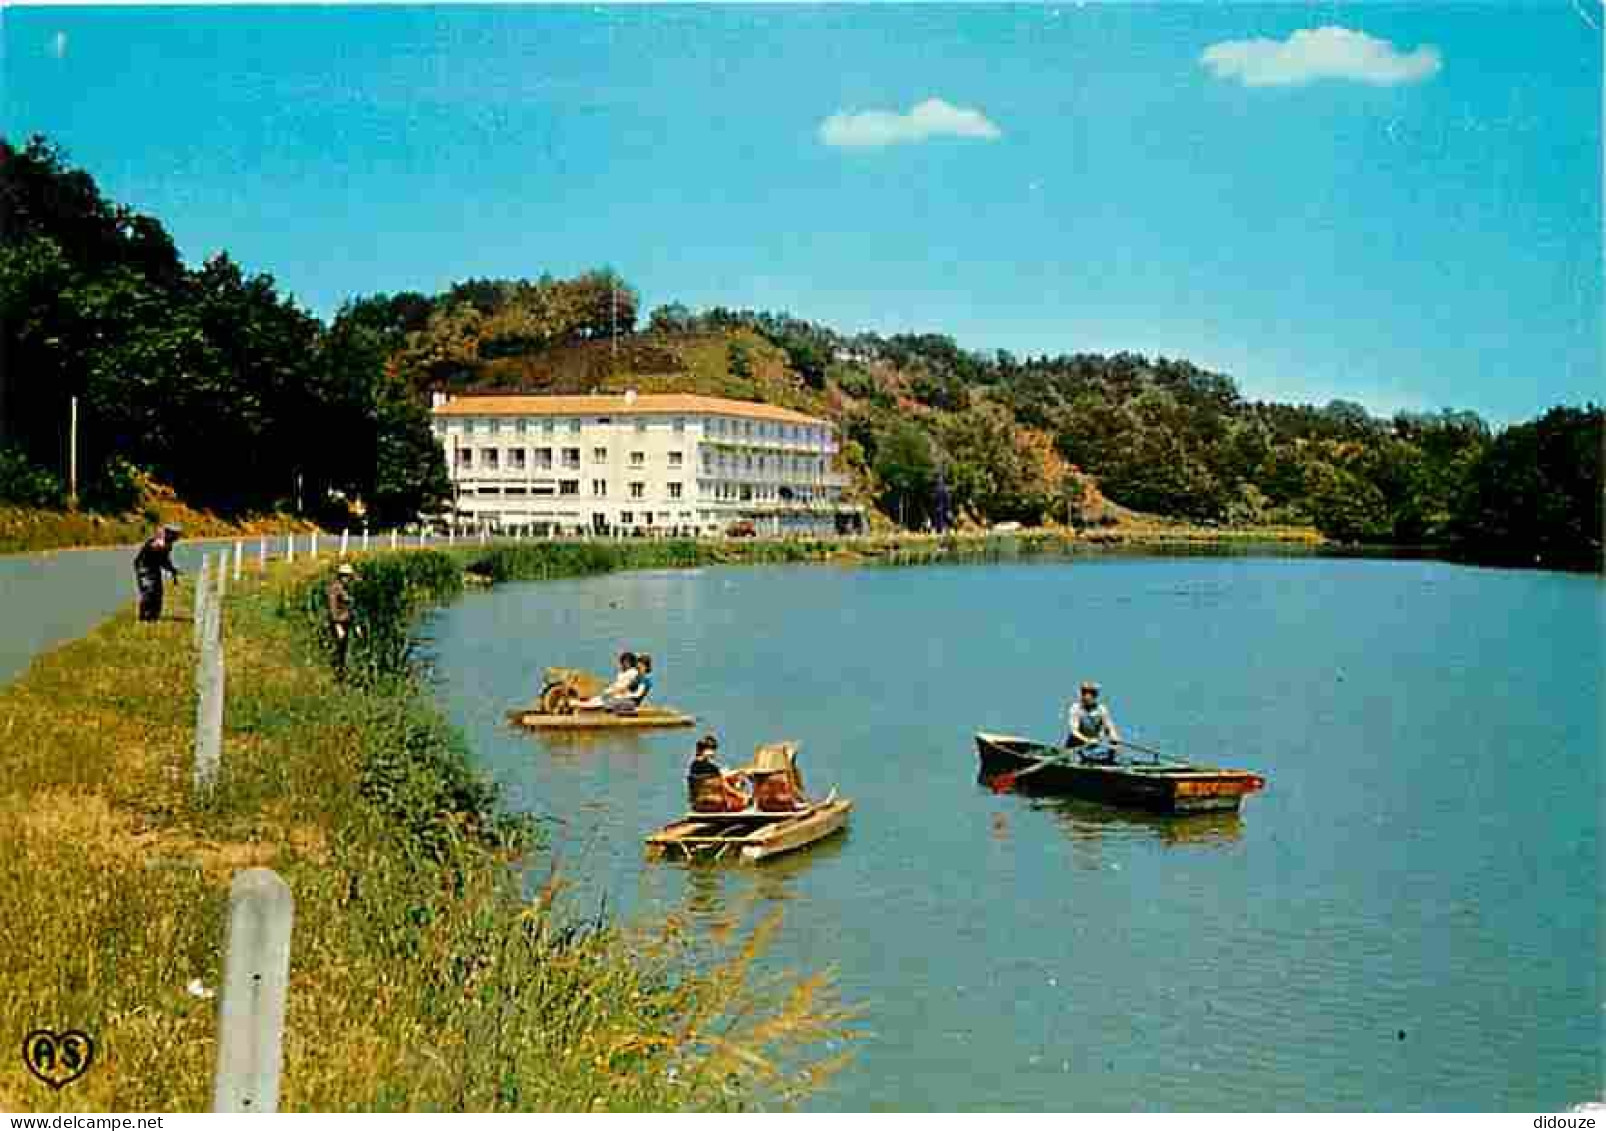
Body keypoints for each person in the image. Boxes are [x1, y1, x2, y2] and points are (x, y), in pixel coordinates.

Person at [687, 734, 750, 813]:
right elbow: (724, 785)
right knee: (742, 797)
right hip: (717, 805)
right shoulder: (710, 767)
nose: (713, 753)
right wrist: (741, 796)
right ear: (703, 750)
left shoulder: (693, 765)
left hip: (697, 804)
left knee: (734, 778)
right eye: (711, 750)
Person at [133, 523, 183, 622]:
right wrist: (161, 546)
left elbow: (164, 560)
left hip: (154, 568)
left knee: (158, 593)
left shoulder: (168, 544)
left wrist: (172, 570)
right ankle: (143, 618)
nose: (177, 537)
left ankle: (154, 618)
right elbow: (156, 547)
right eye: (175, 534)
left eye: (177, 535)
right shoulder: (158, 540)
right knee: (149, 591)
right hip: (144, 567)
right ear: (168, 533)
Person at [1066, 680, 1121, 762]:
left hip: (1095, 741)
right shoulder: (1075, 708)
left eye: (1091, 693)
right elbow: (1074, 731)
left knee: (1114, 741)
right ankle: (1073, 758)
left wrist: (1115, 739)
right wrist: (1087, 740)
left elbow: (1110, 728)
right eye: (1084, 692)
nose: (1087, 696)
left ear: (1095, 695)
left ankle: (1110, 760)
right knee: (1071, 741)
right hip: (1078, 742)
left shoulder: (1101, 709)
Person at [574, 652, 638, 711]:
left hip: (620, 696)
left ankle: (576, 704)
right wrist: (609, 687)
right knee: (596, 699)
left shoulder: (633, 672)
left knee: (598, 702)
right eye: (624, 661)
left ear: (631, 662)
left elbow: (626, 687)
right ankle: (577, 703)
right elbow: (617, 684)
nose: (625, 663)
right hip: (613, 693)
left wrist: (612, 692)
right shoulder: (622, 672)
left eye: (627, 661)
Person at [327, 563, 360, 677]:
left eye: (349, 577)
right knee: (339, 648)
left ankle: (342, 671)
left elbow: (351, 607)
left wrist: (356, 625)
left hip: (347, 621)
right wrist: (337, 625)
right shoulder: (335, 588)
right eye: (347, 576)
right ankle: (337, 672)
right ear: (341, 576)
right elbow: (332, 607)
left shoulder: (346, 588)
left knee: (344, 648)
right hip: (339, 623)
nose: (349, 579)